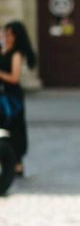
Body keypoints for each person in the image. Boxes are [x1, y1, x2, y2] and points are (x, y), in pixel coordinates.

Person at [0, 21, 37, 177]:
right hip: (3, 94)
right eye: (5, 33)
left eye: (9, 34)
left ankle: (17, 163)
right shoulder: (4, 50)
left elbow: (14, 77)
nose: (6, 37)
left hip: (12, 95)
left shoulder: (16, 53)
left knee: (15, 127)